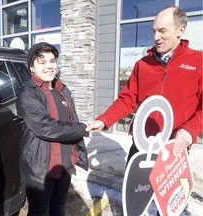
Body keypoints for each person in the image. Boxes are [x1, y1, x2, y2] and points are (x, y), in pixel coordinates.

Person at [87, 6, 202, 161]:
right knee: (134, 186)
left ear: (180, 30)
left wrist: (189, 130)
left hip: (174, 145)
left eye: (162, 31)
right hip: (141, 143)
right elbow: (127, 99)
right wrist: (104, 120)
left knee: (164, 186)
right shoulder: (143, 64)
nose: (156, 37)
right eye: (154, 31)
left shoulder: (198, 62)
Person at [16, 42, 90, 216]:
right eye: (42, 62)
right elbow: (46, 127)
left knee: (59, 207)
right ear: (32, 67)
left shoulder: (61, 89)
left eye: (52, 61)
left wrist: (79, 134)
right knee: (39, 211)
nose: (49, 66)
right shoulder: (28, 93)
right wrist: (82, 129)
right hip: (41, 167)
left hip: (64, 163)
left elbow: (70, 120)